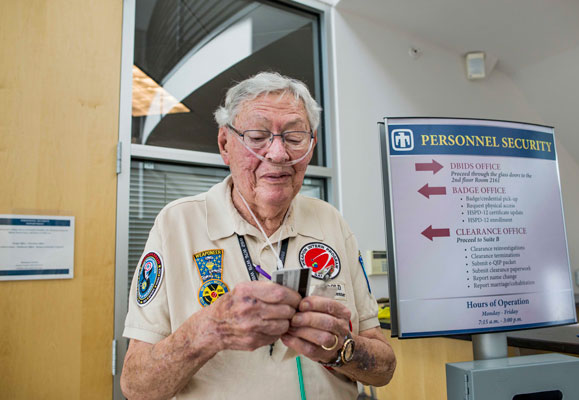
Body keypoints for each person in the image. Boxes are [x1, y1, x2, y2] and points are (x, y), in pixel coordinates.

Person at [120, 72, 396, 399]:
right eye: (257, 135)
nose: (278, 154)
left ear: (311, 146)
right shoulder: (177, 223)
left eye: (294, 138)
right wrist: (208, 331)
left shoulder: (330, 221)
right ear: (225, 144)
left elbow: (384, 369)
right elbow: (137, 387)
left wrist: (340, 348)